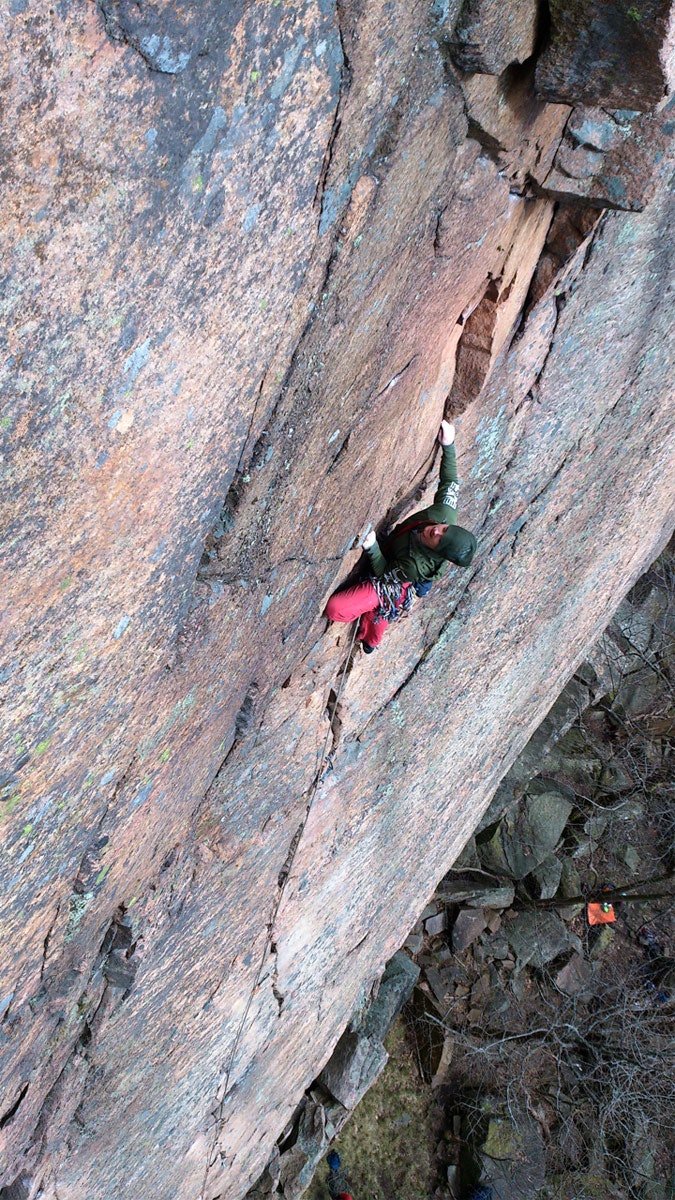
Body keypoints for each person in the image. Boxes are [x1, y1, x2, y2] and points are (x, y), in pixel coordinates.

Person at [325, 421, 477, 651]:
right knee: (378, 606)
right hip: (396, 558)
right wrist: (449, 444)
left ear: (438, 551)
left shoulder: (414, 567)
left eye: (439, 538)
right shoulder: (444, 515)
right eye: (444, 529)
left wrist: (373, 547)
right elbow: (450, 483)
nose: (436, 530)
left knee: (339, 609)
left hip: (394, 575)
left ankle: (370, 640)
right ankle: (373, 631)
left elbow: (385, 574)